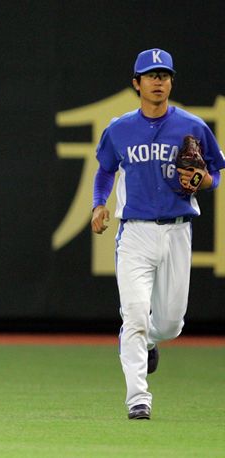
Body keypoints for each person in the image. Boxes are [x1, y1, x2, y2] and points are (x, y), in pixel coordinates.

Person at [91, 48, 225, 420]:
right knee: (134, 315)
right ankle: (138, 398)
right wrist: (99, 204)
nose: (158, 82)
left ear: (171, 82)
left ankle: (150, 341)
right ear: (137, 84)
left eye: (164, 75)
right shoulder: (120, 129)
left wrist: (203, 180)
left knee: (170, 323)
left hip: (177, 232)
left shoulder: (192, 126)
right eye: (151, 76)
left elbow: (215, 173)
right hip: (134, 234)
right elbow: (105, 169)